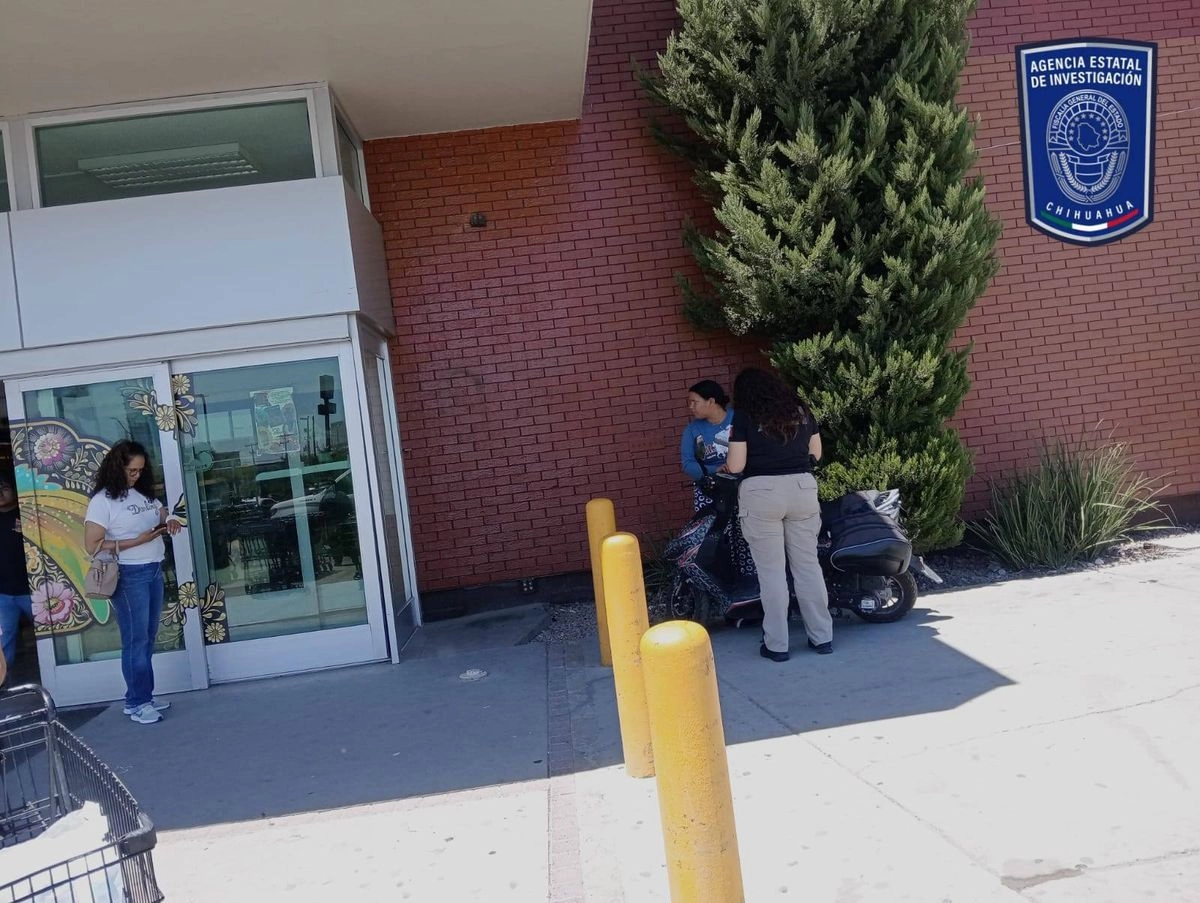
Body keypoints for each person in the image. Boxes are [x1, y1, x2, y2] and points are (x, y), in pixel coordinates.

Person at [725, 368, 832, 662]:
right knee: (808, 567)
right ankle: (822, 637)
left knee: (771, 573)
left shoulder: (745, 415)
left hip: (761, 492)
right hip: (801, 486)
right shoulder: (801, 409)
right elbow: (817, 454)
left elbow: (736, 465)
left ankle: (777, 645)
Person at [83, 441, 183, 724]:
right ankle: (137, 702)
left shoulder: (141, 492)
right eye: (131, 471)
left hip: (152, 569)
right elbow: (92, 545)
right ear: (117, 468)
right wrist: (137, 541)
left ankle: (144, 696)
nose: (136, 475)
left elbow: (158, 510)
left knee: (147, 637)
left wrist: (169, 518)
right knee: (135, 640)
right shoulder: (102, 501)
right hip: (128, 575)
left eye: (140, 470)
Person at [680, 380, 757, 600]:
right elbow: (687, 464)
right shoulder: (692, 430)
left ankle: (750, 586)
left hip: (742, 490)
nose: (691, 407)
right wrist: (716, 469)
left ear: (711, 401)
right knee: (714, 540)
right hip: (710, 494)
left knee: (744, 536)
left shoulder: (737, 420)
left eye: (694, 402)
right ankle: (719, 590)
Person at [0, 473, 34, 673]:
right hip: (3, 594)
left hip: (33, 590)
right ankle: (4, 689)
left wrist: (29, 531)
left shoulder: (28, 513)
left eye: (3, 487)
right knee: (4, 642)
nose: (0, 493)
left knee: (55, 641)